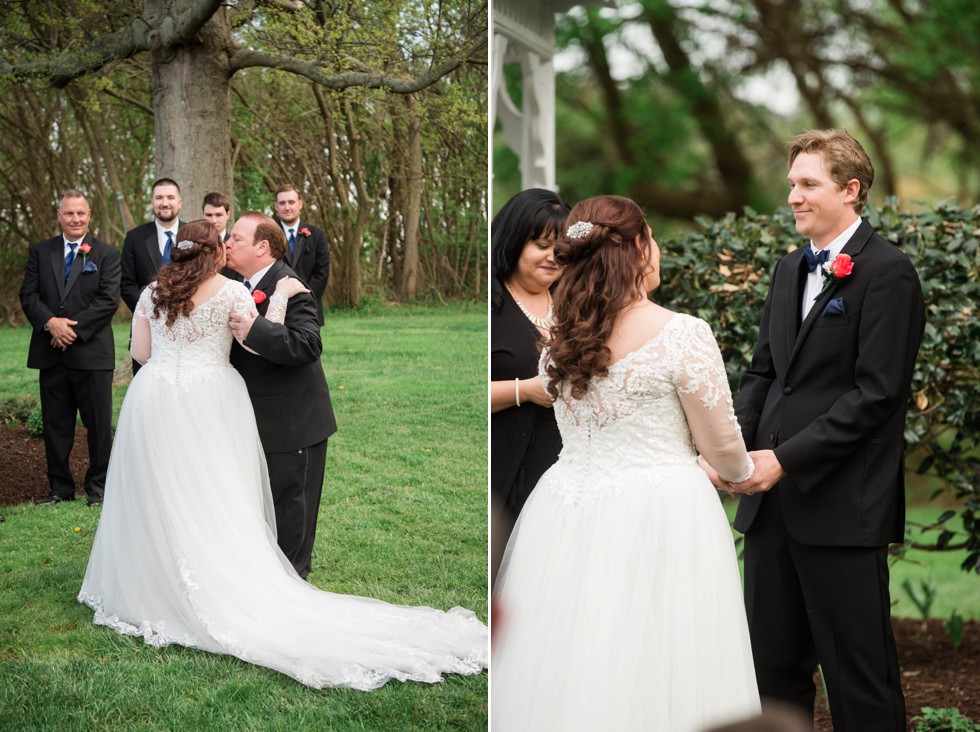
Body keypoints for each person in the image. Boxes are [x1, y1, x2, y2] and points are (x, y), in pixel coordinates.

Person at [78, 220, 486, 690]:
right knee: (212, 491)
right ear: (213, 252)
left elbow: (142, 353)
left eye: (237, 237)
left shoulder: (151, 292)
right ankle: (216, 575)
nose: (230, 244)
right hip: (209, 399)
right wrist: (276, 300)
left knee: (157, 489)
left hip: (153, 401)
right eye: (224, 240)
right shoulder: (230, 291)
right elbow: (255, 337)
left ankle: (153, 582)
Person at [492, 195, 761, 730]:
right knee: (663, 653)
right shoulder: (683, 333)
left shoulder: (559, 337)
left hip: (564, 506)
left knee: (573, 648)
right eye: (653, 238)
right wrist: (744, 474)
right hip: (662, 512)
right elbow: (723, 448)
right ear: (639, 248)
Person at [721, 129, 925, 729]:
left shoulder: (889, 273)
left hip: (841, 509)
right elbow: (764, 373)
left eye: (808, 184)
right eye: (791, 184)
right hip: (769, 511)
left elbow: (876, 396)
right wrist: (730, 452)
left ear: (851, 190)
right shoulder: (788, 271)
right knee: (771, 674)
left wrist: (785, 460)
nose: (793, 197)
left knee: (859, 681)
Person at [225, 211, 336, 580]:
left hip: (294, 425)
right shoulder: (236, 283)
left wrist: (257, 330)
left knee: (292, 514)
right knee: (265, 509)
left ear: (262, 247)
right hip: (257, 419)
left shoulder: (290, 284)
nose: (227, 243)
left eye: (236, 239)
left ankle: (294, 586)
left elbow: (307, 344)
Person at [19, 189, 121, 507]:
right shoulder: (40, 251)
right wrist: (51, 322)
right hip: (51, 352)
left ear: (89, 215)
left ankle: (99, 488)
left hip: (91, 353)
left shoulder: (106, 253)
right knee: (55, 423)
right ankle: (60, 488)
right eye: (69, 213)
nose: (75, 218)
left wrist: (70, 330)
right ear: (59, 216)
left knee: (98, 425)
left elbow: (108, 300)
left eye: (81, 213)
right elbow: (29, 294)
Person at [489, 188, 569, 584]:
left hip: (562, 470)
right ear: (514, 241)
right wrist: (526, 390)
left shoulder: (572, 306)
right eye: (542, 245)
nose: (553, 257)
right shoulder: (491, 303)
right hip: (505, 466)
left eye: (562, 247)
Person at [121, 178, 186, 374]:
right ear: (152, 202)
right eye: (159, 197)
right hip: (146, 328)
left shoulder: (193, 234)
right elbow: (126, 283)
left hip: (186, 324)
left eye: (170, 197)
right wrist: (150, 311)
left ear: (180, 202)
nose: (164, 202)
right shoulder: (135, 237)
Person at [274, 184, 330, 325]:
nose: (287, 207)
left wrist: (304, 297)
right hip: (276, 305)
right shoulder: (268, 234)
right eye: (282, 203)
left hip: (309, 307)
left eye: (291, 202)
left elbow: (321, 273)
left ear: (300, 204)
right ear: (276, 206)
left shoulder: (317, 235)